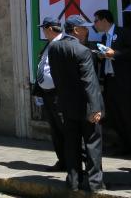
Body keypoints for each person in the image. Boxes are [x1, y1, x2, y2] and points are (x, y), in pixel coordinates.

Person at [48, 15, 104, 193]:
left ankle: (73, 180)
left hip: (66, 104)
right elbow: (89, 82)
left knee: (71, 144)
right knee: (92, 144)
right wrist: (95, 108)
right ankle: (94, 182)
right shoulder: (82, 51)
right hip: (85, 106)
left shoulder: (54, 47)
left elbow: (56, 76)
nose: (87, 31)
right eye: (84, 28)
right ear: (76, 30)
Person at [93, 9, 131, 158]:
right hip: (110, 81)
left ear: (104, 20)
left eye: (96, 20)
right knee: (115, 116)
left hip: (125, 81)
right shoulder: (103, 38)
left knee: (129, 115)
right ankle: (125, 145)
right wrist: (101, 57)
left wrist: (115, 54)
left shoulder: (123, 33)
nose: (95, 24)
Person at [33, 17, 65, 171]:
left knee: (64, 129)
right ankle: (63, 161)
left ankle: (75, 162)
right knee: (55, 130)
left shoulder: (63, 44)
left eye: (44, 29)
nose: (43, 32)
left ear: (50, 28)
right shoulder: (49, 44)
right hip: (47, 94)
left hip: (59, 95)